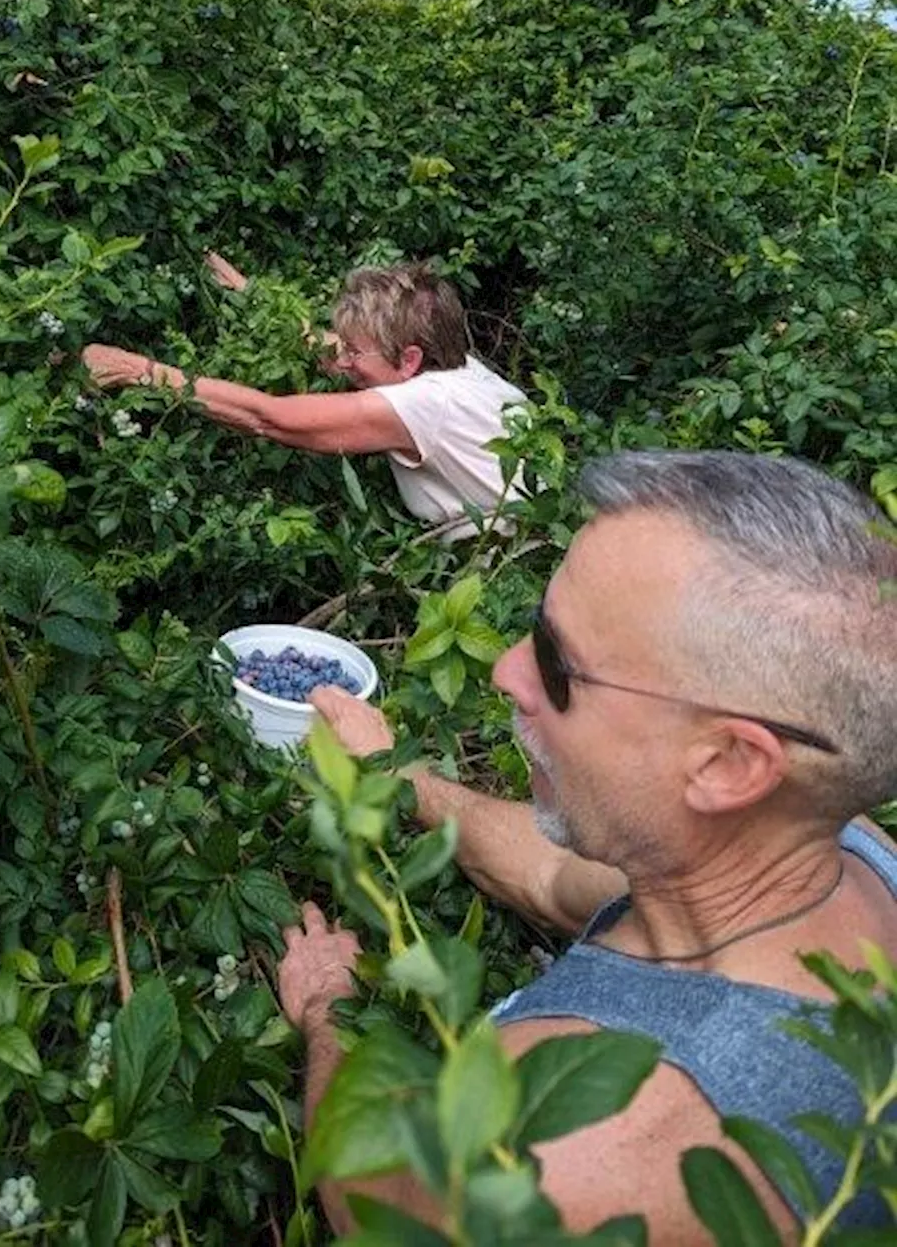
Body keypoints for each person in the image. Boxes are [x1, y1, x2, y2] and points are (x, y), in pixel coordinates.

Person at [278, 450, 897, 1241]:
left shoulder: (602, 1152)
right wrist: (403, 782)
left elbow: (372, 1196)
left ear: (730, 763)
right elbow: (552, 874)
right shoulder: (837, 845)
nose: (507, 672)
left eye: (556, 661)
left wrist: (328, 1004)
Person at [81, 261, 526, 535]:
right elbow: (329, 349)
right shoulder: (458, 366)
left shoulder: (424, 403)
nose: (344, 361)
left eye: (356, 351)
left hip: (501, 575)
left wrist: (139, 372)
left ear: (408, 359)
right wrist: (252, 296)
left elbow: (268, 418)